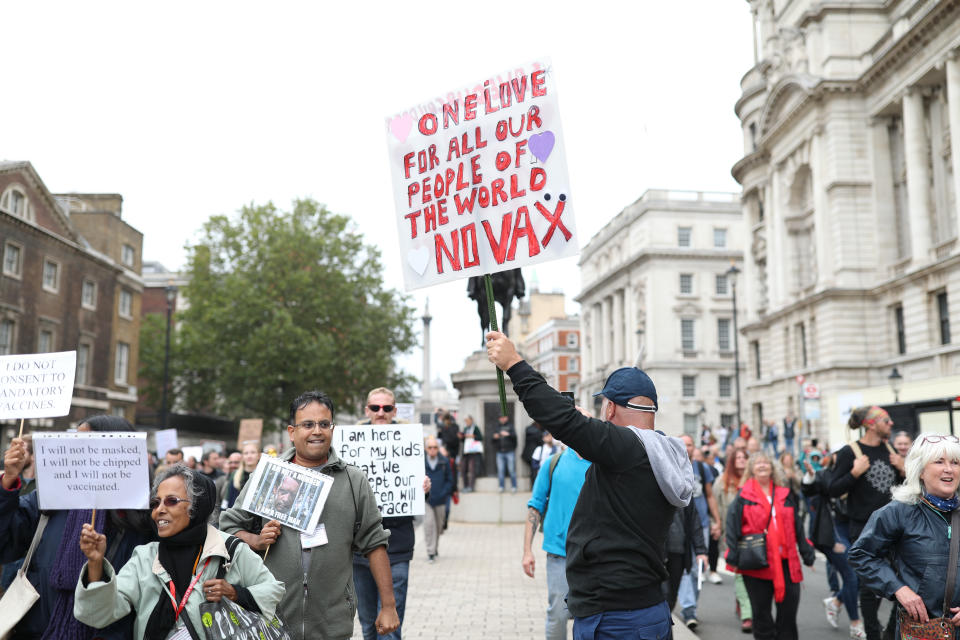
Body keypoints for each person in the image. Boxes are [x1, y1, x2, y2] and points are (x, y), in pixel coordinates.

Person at [486, 331, 694, 639]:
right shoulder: (664, 449)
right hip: (646, 609)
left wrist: (515, 364)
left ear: (610, 408)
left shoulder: (628, 446)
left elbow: (563, 419)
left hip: (616, 620)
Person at [220, 390, 399, 640]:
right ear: (292, 432)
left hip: (332, 624)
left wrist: (389, 606)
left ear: (332, 429)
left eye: (324, 424)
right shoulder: (268, 476)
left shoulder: (353, 480)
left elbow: (375, 542)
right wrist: (256, 541)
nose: (317, 431)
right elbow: (227, 526)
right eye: (308, 424)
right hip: (271, 620)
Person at [75, 464, 284, 639]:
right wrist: (95, 563)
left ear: (196, 506)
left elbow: (273, 590)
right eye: (156, 503)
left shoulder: (231, 549)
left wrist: (235, 593)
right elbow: (98, 615)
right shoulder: (145, 557)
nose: (159, 510)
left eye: (171, 501)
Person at [0, 415, 155, 640]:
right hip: (39, 630)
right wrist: (8, 483)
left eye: (86, 445)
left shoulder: (140, 517)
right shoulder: (50, 498)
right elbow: (4, 543)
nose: (76, 453)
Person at [849, 434, 960, 636]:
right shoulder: (899, 512)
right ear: (920, 471)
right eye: (939, 461)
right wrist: (898, 589)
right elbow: (861, 554)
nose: (949, 469)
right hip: (922, 630)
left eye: (955, 462)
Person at [352, 386, 430, 640]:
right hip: (359, 546)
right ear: (367, 410)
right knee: (367, 625)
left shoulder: (408, 440)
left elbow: (417, 484)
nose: (381, 412)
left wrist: (424, 489)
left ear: (394, 410)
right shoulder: (351, 441)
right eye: (375, 408)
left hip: (396, 545)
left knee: (390, 626)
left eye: (386, 408)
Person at [829, 406, 904, 640]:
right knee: (870, 587)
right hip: (863, 529)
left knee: (901, 583)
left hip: (895, 528)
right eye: (886, 420)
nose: (891, 424)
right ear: (871, 424)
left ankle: (891, 632)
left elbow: (906, 490)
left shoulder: (891, 450)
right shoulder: (850, 452)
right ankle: (873, 634)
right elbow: (832, 489)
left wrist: (904, 470)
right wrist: (853, 473)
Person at [725, 451, 816, 640]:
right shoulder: (744, 496)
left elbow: (797, 526)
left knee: (788, 617)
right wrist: (733, 555)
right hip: (757, 563)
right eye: (757, 463)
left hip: (786, 563)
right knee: (762, 616)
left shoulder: (785, 493)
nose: (762, 465)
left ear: (772, 468)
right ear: (751, 469)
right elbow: (732, 525)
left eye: (766, 462)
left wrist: (807, 552)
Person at [523, 441, 591, 640]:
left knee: (592, 616)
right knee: (558, 614)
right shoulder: (553, 463)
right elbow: (535, 506)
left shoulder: (601, 462)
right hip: (559, 553)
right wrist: (527, 551)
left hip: (595, 555)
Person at [801, 449, 864, 639]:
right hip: (831, 533)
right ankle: (855, 623)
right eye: (838, 456)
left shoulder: (857, 475)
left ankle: (836, 602)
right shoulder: (824, 475)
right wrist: (811, 475)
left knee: (859, 575)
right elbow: (809, 489)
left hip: (852, 531)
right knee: (851, 574)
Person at [677, 433, 722, 630]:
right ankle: (689, 609)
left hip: (702, 524)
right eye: (683, 444)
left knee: (698, 568)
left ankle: (691, 604)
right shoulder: (672, 466)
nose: (687, 448)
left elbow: (710, 496)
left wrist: (717, 521)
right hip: (680, 526)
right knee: (687, 567)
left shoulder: (702, 469)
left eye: (690, 445)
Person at [715, 447, 753, 633]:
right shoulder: (722, 482)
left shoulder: (753, 482)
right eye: (737, 457)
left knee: (751, 573)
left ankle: (743, 601)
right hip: (731, 536)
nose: (740, 460)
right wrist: (716, 525)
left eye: (744, 457)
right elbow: (713, 505)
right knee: (739, 572)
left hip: (752, 535)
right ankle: (747, 614)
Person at [212, 441, 260, 524]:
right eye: (246, 453)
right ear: (242, 456)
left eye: (253, 452)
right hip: (236, 519)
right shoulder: (235, 475)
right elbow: (227, 497)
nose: (249, 455)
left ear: (259, 455)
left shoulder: (263, 475)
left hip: (256, 521)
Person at [423, 436, 453, 563]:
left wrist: (444, 492)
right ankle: (430, 552)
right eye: (430, 447)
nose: (433, 450)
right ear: (426, 449)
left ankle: (435, 548)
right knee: (429, 525)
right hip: (427, 500)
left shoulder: (444, 461)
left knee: (439, 526)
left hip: (441, 499)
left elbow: (450, 480)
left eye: (435, 447)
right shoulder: (421, 462)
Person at [492, 414, 518, 494]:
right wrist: (494, 437)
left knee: (511, 470)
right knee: (500, 470)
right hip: (500, 452)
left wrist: (508, 434)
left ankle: (514, 486)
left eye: (504, 417)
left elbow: (515, 437)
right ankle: (501, 486)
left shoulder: (510, 426)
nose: (502, 419)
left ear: (507, 418)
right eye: (501, 418)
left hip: (510, 451)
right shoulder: (497, 427)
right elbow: (492, 440)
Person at [459, 416, 483, 492]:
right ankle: (465, 486)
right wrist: (462, 437)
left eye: (468, 421)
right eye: (466, 421)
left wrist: (472, 436)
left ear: (471, 420)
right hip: (466, 452)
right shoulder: (465, 429)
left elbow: (480, 437)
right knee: (463, 469)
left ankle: (471, 487)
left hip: (473, 452)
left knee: (472, 469)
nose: (467, 422)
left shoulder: (475, 428)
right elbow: (463, 440)